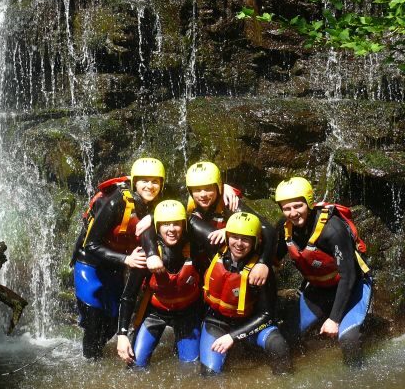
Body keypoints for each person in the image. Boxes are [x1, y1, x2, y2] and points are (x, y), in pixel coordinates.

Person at [72, 157, 165, 359]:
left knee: (113, 324)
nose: (150, 186)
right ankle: (90, 364)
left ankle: (97, 354)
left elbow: (186, 196)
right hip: (91, 264)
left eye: (155, 181)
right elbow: (91, 244)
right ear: (134, 182)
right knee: (94, 320)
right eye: (144, 181)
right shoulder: (116, 202)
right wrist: (126, 260)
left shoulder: (158, 201)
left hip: (116, 266)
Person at [273, 176, 372, 363]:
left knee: (348, 340)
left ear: (309, 204)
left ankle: (356, 385)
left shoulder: (332, 229)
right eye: (286, 208)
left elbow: (349, 276)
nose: (293, 213)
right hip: (319, 289)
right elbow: (272, 258)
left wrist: (334, 320)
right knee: (285, 337)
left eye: (298, 206)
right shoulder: (285, 227)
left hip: (353, 286)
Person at [199, 212, 291, 374]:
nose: (239, 244)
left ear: (256, 242)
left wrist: (233, 336)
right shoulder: (214, 250)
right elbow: (187, 222)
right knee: (210, 374)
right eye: (234, 237)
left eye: (246, 239)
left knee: (279, 345)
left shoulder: (261, 271)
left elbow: (267, 315)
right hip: (216, 322)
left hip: (250, 323)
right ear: (226, 236)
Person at [156, 160, 275, 285]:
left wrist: (263, 263)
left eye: (208, 189)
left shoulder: (229, 202)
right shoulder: (184, 199)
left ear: (218, 187)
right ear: (190, 191)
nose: (203, 195)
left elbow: (268, 230)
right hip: (200, 262)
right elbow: (158, 195)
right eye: (197, 190)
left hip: (232, 260)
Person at [116, 200, 202, 368]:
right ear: (157, 227)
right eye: (165, 225)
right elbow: (128, 296)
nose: (171, 229)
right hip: (156, 313)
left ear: (184, 225)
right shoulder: (146, 254)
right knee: (135, 367)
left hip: (188, 313)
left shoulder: (196, 247)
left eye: (176, 224)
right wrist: (122, 334)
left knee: (190, 368)